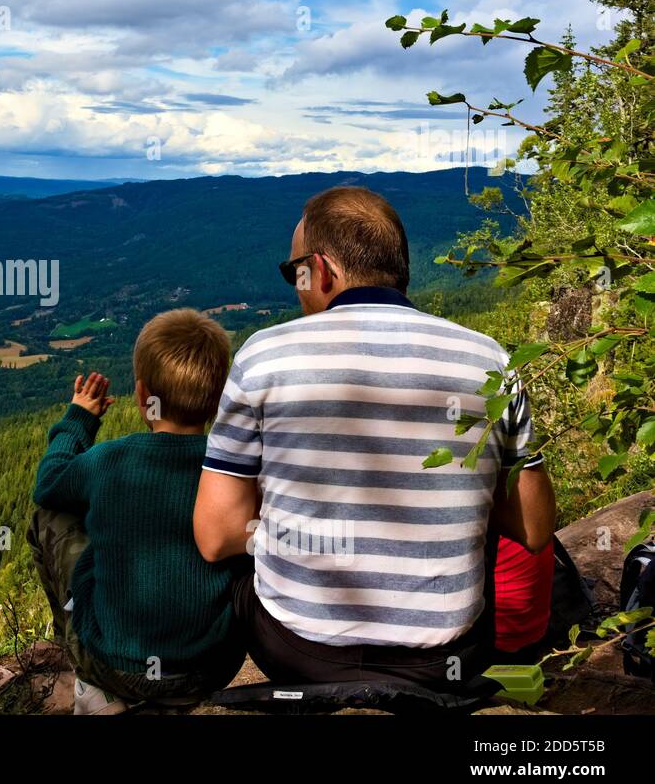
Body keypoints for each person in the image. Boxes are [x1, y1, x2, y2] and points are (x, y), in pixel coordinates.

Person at [193, 186, 556, 692]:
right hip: (448, 656)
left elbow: (215, 538)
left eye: (292, 271)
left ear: (319, 271)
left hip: (297, 653)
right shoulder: (491, 360)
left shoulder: (264, 355)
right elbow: (535, 528)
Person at [28, 309, 250, 714]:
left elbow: (48, 484)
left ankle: (89, 677)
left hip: (116, 666)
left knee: (49, 516)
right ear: (218, 398)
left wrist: (79, 418)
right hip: (212, 668)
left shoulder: (109, 461)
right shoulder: (235, 470)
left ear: (141, 394)